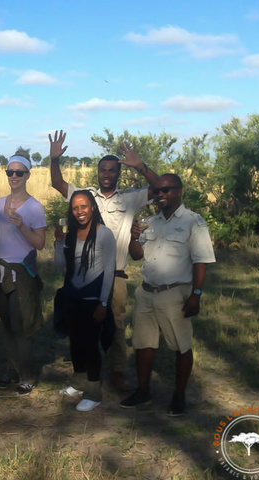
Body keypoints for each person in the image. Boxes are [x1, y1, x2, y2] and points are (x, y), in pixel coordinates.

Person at [49, 130, 159, 392]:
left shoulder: (130, 199)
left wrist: (141, 166)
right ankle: (86, 374)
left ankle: (118, 372)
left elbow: (159, 188)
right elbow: (58, 184)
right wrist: (54, 160)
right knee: (83, 325)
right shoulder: (86, 197)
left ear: (118, 173)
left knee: (117, 326)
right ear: (97, 172)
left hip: (116, 274)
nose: (107, 174)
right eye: (103, 170)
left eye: (111, 170)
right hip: (83, 277)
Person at [120, 174, 215, 416]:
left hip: (175, 293)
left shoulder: (194, 222)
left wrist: (196, 294)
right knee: (142, 343)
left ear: (179, 191)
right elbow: (136, 255)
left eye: (167, 190)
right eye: (158, 191)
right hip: (146, 291)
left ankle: (179, 395)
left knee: (181, 346)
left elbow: (201, 261)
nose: (161, 195)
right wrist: (133, 237)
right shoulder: (151, 222)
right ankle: (143, 391)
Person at [0, 149, 46, 396]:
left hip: (20, 274)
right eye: (10, 172)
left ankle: (28, 375)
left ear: (27, 175)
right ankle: (12, 371)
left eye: (19, 172)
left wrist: (21, 225)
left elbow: (40, 243)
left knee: (20, 326)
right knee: (7, 325)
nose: (14, 176)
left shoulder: (34, 207)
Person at [54, 190, 116, 411]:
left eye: (84, 206)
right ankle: (79, 382)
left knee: (90, 345)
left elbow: (109, 271)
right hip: (72, 296)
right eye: (75, 208)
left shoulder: (104, 234)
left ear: (92, 208)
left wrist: (103, 303)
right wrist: (59, 243)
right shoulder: (69, 234)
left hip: (93, 298)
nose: (79, 212)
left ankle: (93, 392)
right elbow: (59, 265)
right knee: (75, 343)